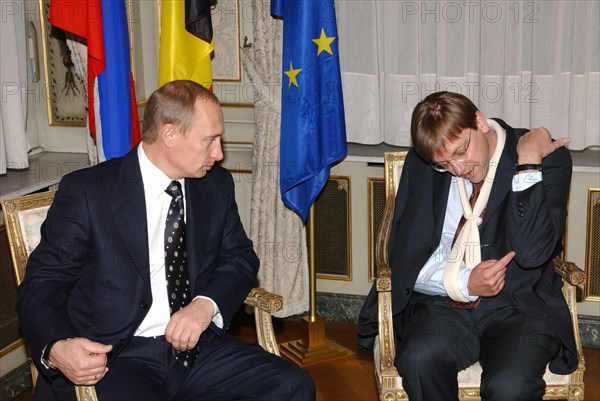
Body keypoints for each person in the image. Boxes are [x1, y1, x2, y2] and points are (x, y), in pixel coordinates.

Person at [17, 80, 315, 401]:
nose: (219, 153)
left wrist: (205, 305)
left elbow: (240, 259)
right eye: (209, 141)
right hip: (116, 356)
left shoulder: (214, 184)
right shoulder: (90, 192)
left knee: (292, 385)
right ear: (170, 135)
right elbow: (42, 284)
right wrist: (58, 347)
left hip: (196, 348)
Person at [358, 91, 577, 401]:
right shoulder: (423, 166)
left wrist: (527, 164)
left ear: (479, 121)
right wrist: (464, 282)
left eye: (461, 152)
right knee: (419, 359)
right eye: (444, 163)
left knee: (508, 387)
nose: (458, 168)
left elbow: (532, 254)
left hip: (518, 306)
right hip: (443, 304)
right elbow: (406, 257)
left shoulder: (545, 158)